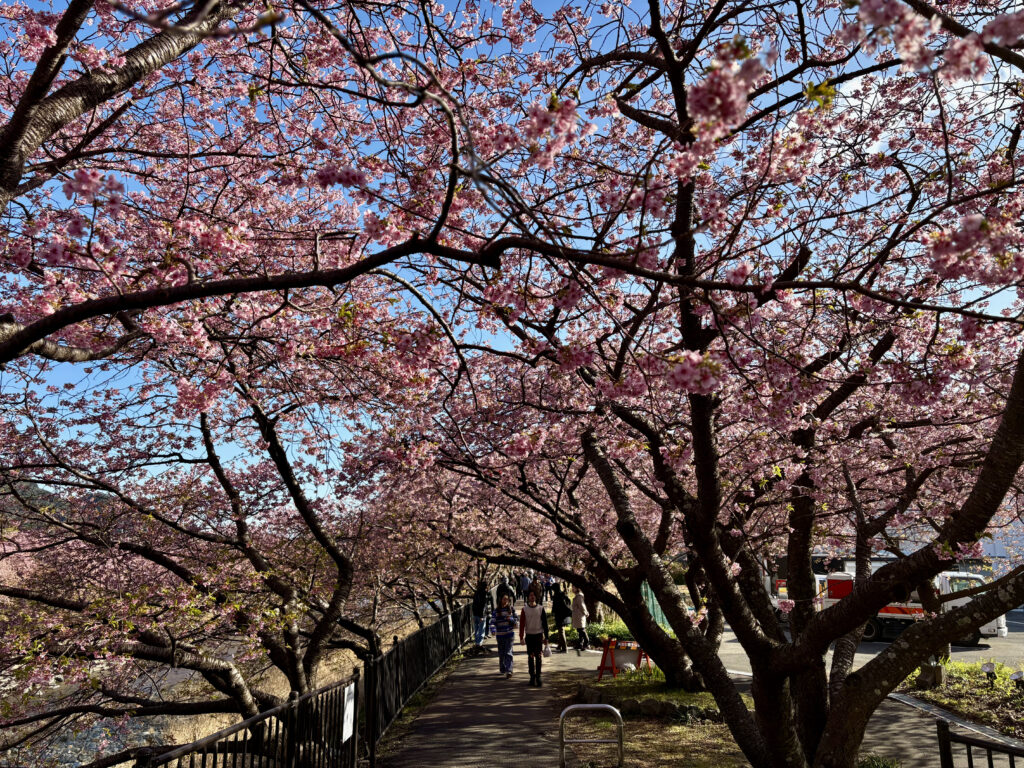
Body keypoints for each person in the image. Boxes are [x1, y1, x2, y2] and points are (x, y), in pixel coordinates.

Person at [519, 590, 550, 686]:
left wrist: (546, 637)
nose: (532, 597)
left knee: (539, 656)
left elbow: (545, 624)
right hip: (529, 635)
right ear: (528, 597)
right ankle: (532, 677)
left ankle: (538, 677)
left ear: (536, 597)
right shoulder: (524, 609)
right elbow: (522, 624)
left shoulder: (541, 608)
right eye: (530, 595)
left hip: (538, 635)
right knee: (531, 656)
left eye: (533, 595)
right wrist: (521, 637)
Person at [491, 593, 518, 678]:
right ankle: (503, 668)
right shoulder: (496, 611)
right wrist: (493, 629)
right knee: (501, 653)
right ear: (501, 600)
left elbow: (516, 620)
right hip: (500, 635)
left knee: (508, 652)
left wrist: (511, 619)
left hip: (509, 634)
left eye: (507, 599)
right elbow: (492, 622)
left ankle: (509, 670)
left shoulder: (511, 609)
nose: (505, 601)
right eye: (504, 599)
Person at [551, 584, 572, 653]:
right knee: (560, 630)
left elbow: (559, 606)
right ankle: (560, 645)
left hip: (560, 615)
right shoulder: (562, 594)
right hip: (563, 615)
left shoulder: (558, 596)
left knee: (561, 630)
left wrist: (553, 611)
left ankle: (564, 648)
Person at [471, 578, 492, 646]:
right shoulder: (484, 594)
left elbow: (474, 604)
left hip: (475, 613)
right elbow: (483, 605)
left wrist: (474, 614)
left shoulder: (476, 593)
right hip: (481, 614)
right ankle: (479, 643)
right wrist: (482, 616)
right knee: (481, 629)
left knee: (476, 628)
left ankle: (476, 641)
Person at [571, 585, 590, 654]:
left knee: (581, 629)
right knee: (579, 630)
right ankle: (580, 644)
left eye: (573, 587)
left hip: (579, 615)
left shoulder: (579, 596)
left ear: (577, 588)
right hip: (577, 615)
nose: (572, 589)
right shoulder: (577, 596)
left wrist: (585, 613)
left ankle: (586, 643)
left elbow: (582, 606)